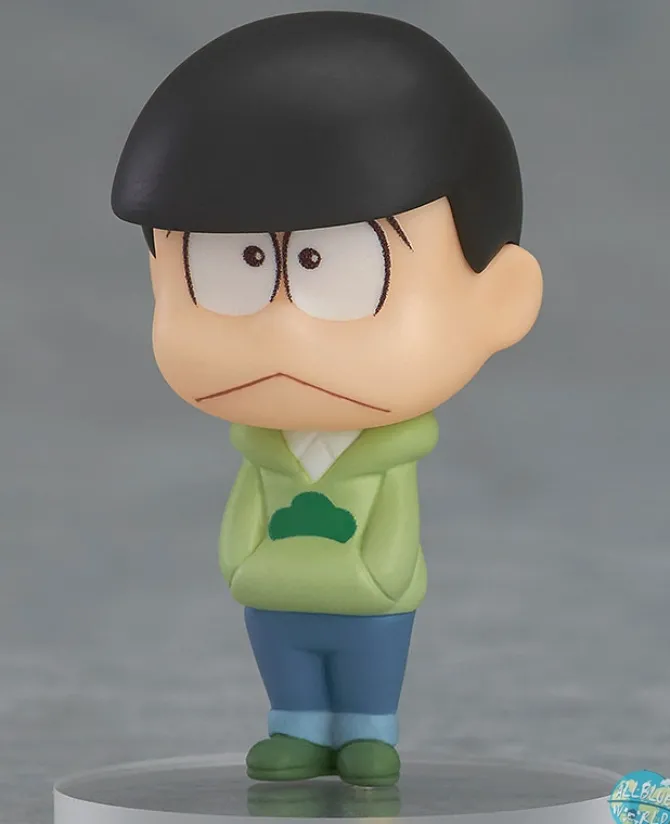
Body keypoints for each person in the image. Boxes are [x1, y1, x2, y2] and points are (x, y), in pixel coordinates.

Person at [111, 10, 543, 787]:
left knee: (369, 665)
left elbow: (395, 526)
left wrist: (380, 575)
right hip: (273, 594)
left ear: (500, 299)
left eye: (334, 271)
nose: (281, 328)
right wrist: (243, 563)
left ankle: (370, 730)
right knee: (286, 663)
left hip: (370, 601)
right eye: (231, 269)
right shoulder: (262, 450)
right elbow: (244, 512)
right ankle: (299, 728)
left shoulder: (388, 457)